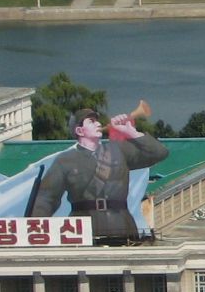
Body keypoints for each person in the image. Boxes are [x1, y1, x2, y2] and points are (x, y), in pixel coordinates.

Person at [25, 101, 169, 243]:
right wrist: (32, 231)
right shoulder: (65, 160)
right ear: (79, 131)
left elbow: (159, 153)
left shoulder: (118, 150)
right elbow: (46, 199)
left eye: (97, 121)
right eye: (91, 122)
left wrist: (130, 132)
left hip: (121, 225)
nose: (98, 124)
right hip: (84, 229)